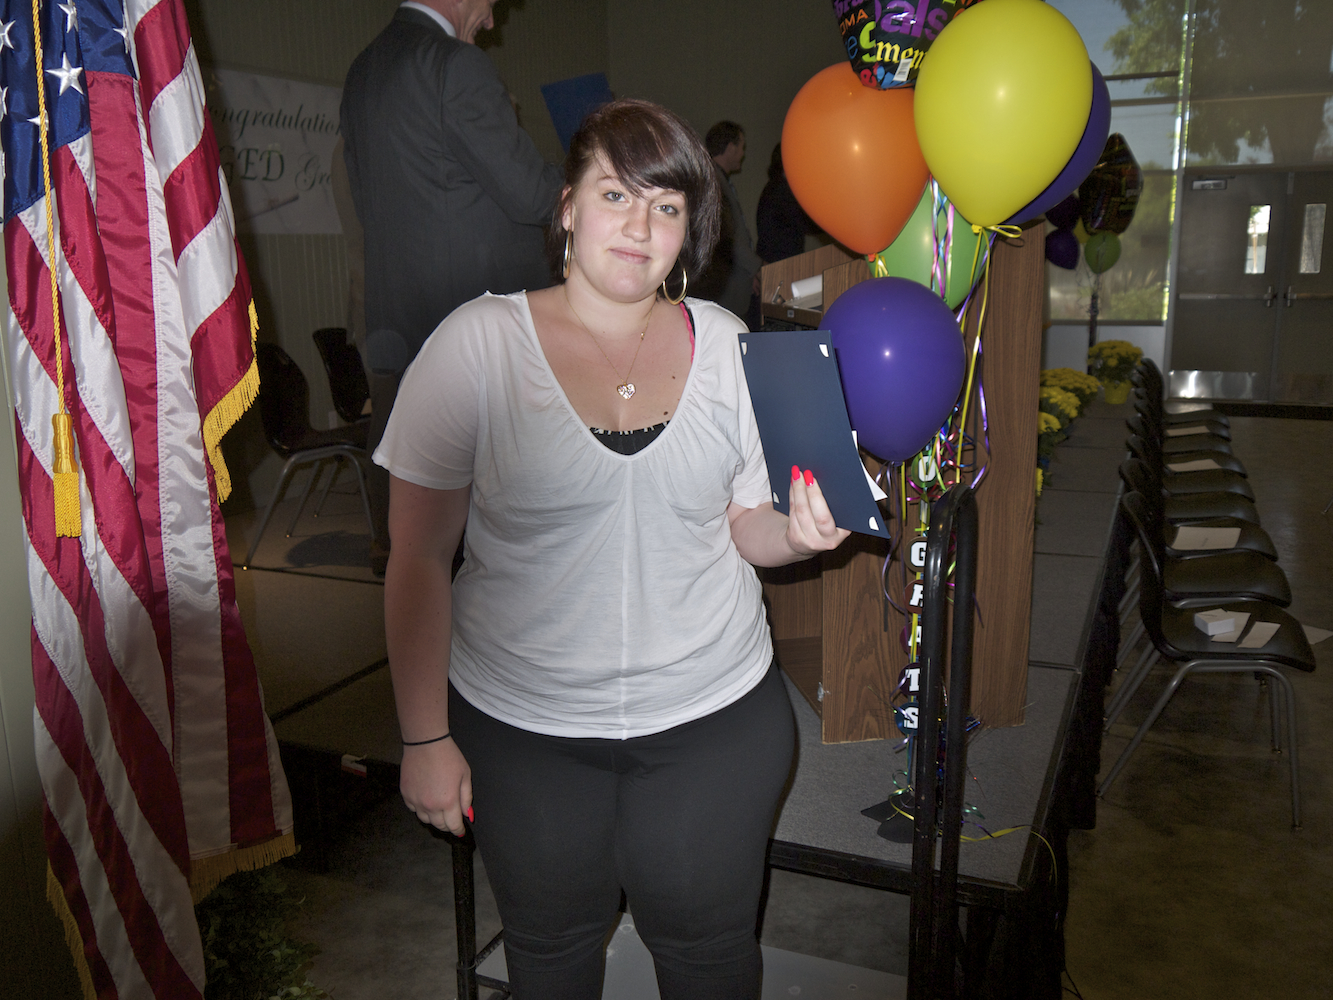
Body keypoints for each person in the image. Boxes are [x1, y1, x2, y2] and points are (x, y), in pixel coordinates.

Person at [374, 99, 851, 999]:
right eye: (615, 195)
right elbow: (417, 558)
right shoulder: (477, 344)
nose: (639, 226)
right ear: (567, 208)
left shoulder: (726, 343)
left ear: (689, 231)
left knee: (710, 955)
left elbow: (745, 523)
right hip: (525, 729)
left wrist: (796, 535)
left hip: (712, 715)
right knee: (550, 954)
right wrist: (424, 735)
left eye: (666, 206)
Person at [340, 0, 563, 573]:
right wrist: (597, 177)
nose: (490, 21)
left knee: (419, 531)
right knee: (494, 537)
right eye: (491, 6)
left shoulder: (363, 70)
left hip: (397, 320)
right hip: (473, 325)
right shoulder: (456, 64)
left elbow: (367, 203)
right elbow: (531, 194)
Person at [696, 120, 763, 327]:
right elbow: (729, 236)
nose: (743, 154)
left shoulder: (717, 178)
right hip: (723, 291)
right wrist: (758, 268)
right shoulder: (713, 181)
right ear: (731, 147)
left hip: (732, 285)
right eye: (742, 147)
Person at [756, 143, 816, 264]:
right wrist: (831, 222)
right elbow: (804, 223)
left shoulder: (774, 186)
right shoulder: (782, 190)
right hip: (780, 262)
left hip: (775, 260)